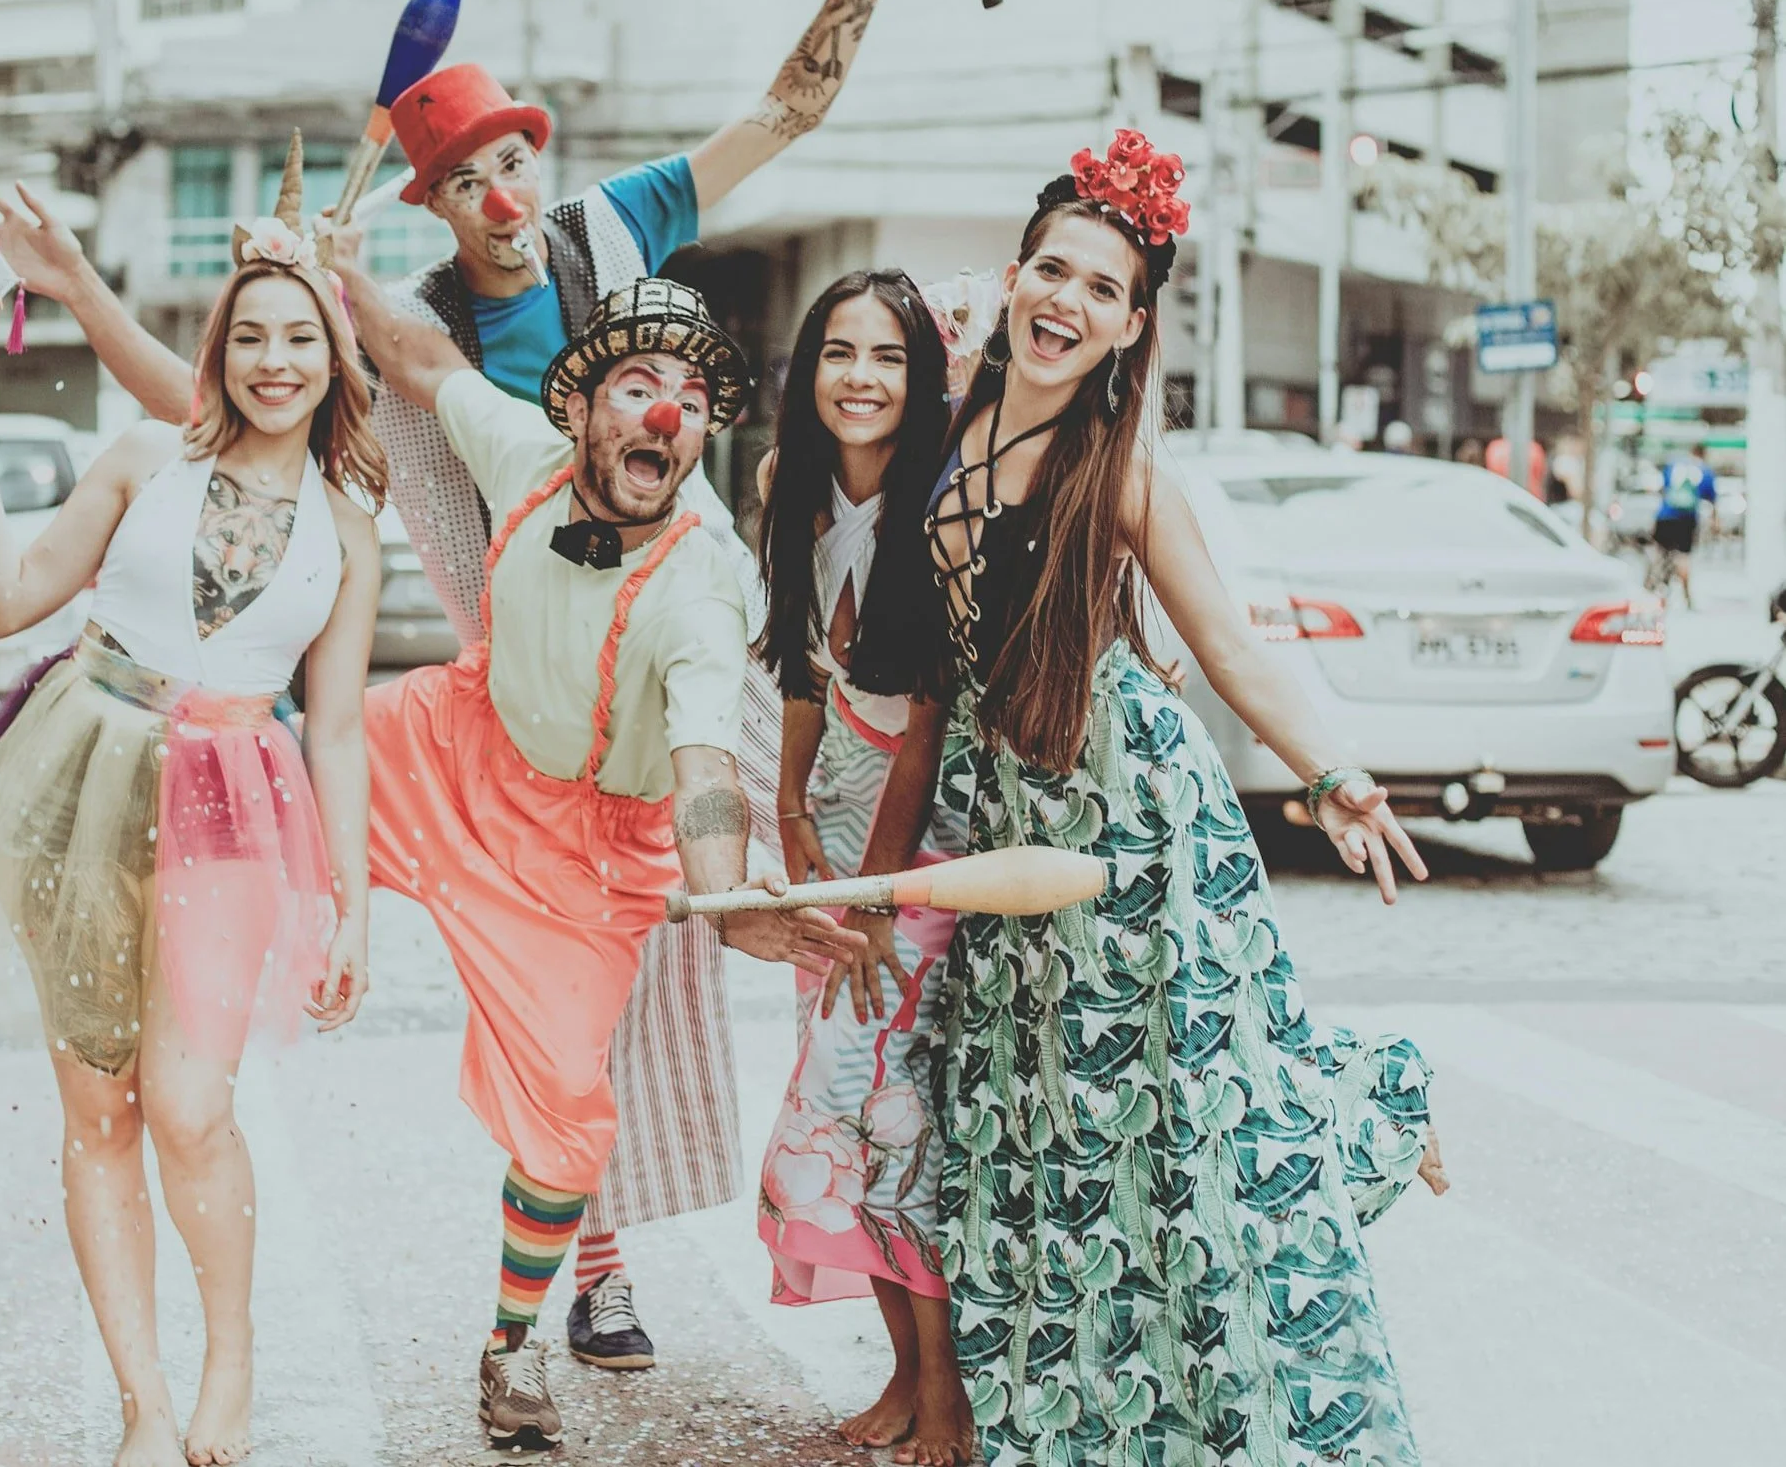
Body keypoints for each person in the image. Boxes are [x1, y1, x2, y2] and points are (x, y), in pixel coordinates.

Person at [0, 0, 927, 1370]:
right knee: (473, 940)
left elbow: (788, 105)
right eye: (464, 180)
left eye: (513, 159)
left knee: (619, 994)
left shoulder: (616, 223)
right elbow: (205, 414)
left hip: (647, 665)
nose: (502, 195)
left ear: (543, 161)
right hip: (495, 682)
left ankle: (590, 1252)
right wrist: (266, 295)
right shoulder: (418, 342)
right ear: (436, 208)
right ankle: (214, 1047)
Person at [912, 131, 1448, 1464]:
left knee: (1193, 1118)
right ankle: (1080, 1414)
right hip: (1005, 830)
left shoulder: (1125, 476)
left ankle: (1236, 1384)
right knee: (1031, 1127)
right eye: (1051, 270)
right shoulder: (934, 431)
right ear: (1012, 273)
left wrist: (1332, 777)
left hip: (1140, 828)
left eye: (1101, 289)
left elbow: (1230, 646)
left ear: (1130, 324)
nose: (1066, 302)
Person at [0, 153, 385, 1467]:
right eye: (249, 336)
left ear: (335, 360)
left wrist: (349, 902)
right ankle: (143, 1402)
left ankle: (228, 1359)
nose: (273, 361)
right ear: (215, 350)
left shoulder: (348, 524)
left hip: (234, 801)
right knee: (95, 1108)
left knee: (185, 1101)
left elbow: (335, 727)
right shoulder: (142, 457)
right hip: (79, 777)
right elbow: (9, 598)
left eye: (301, 339)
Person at [344, 268, 873, 1452]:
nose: (667, 413)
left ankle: (509, 1347)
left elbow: (703, 769)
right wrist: (333, 276)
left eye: (688, 394)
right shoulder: (520, 455)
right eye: (638, 384)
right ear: (578, 408)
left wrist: (729, 899)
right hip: (455, 749)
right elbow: (426, 366)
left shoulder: (701, 580)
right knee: (270, 776)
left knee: (568, 1121)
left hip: (582, 868)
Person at [750, 270, 976, 1465]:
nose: (859, 378)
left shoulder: (938, 506)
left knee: (872, 1117)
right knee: (860, 1120)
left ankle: (946, 1393)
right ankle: (902, 1370)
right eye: (838, 353)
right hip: (829, 846)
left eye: (886, 357)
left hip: (910, 853)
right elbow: (797, 666)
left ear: (920, 375)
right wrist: (785, 810)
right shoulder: (792, 486)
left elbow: (928, 718)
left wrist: (877, 893)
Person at [1654, 441, 1718, 608]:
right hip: (1686, 520)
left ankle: (1658, 591)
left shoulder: (1674, 464)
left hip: (1664, 517)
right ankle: (1686, 595)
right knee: (1683, 557)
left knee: (1661, 555)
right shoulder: (1705, 471)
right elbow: (1712, 500)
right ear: (1703, 454)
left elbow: (1664, 489)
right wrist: (1715, 521)